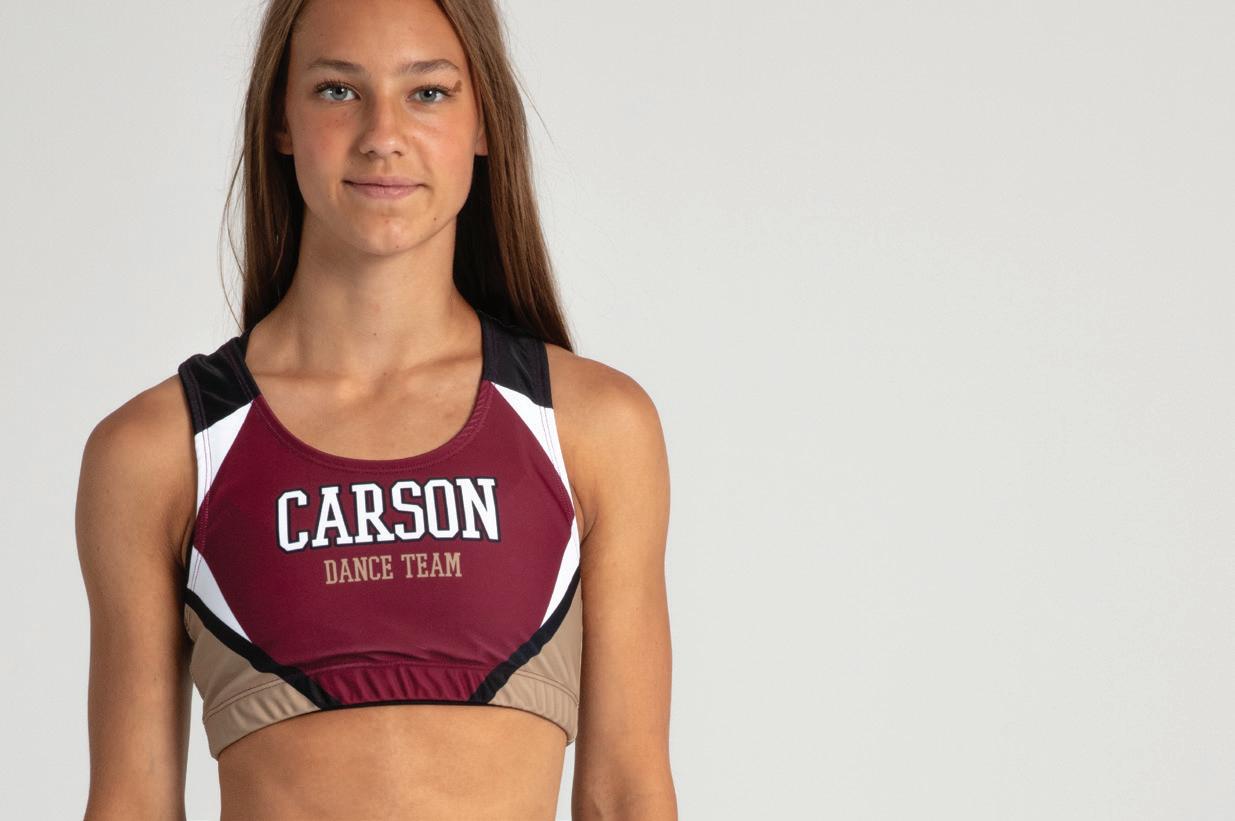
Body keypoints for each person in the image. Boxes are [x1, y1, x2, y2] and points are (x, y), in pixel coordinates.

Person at [74, 0, 676, 818]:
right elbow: (132, 802)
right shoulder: (162, 451)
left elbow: (626, 793)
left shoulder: (591, 426)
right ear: (279, 120)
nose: (382, 135)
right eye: (337, 91)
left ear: (482, 123)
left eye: (427, 92)